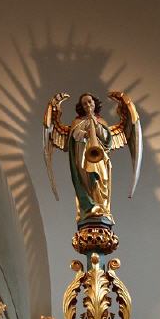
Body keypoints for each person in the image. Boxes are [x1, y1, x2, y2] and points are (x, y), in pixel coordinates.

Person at [67, 94, 113, 225]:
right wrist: (85, 133)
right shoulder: (77, 122)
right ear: (81, 107)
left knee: (101, 179)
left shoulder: (101, 121)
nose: (87, 105)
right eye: (84, 104)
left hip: (99, 156)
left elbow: (107, 139)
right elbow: (74, 136)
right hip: (83, 156)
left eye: (89, 102)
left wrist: (96, 124)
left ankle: (102, 208)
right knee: (86, 181)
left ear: (94, 103)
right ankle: (90, 206)